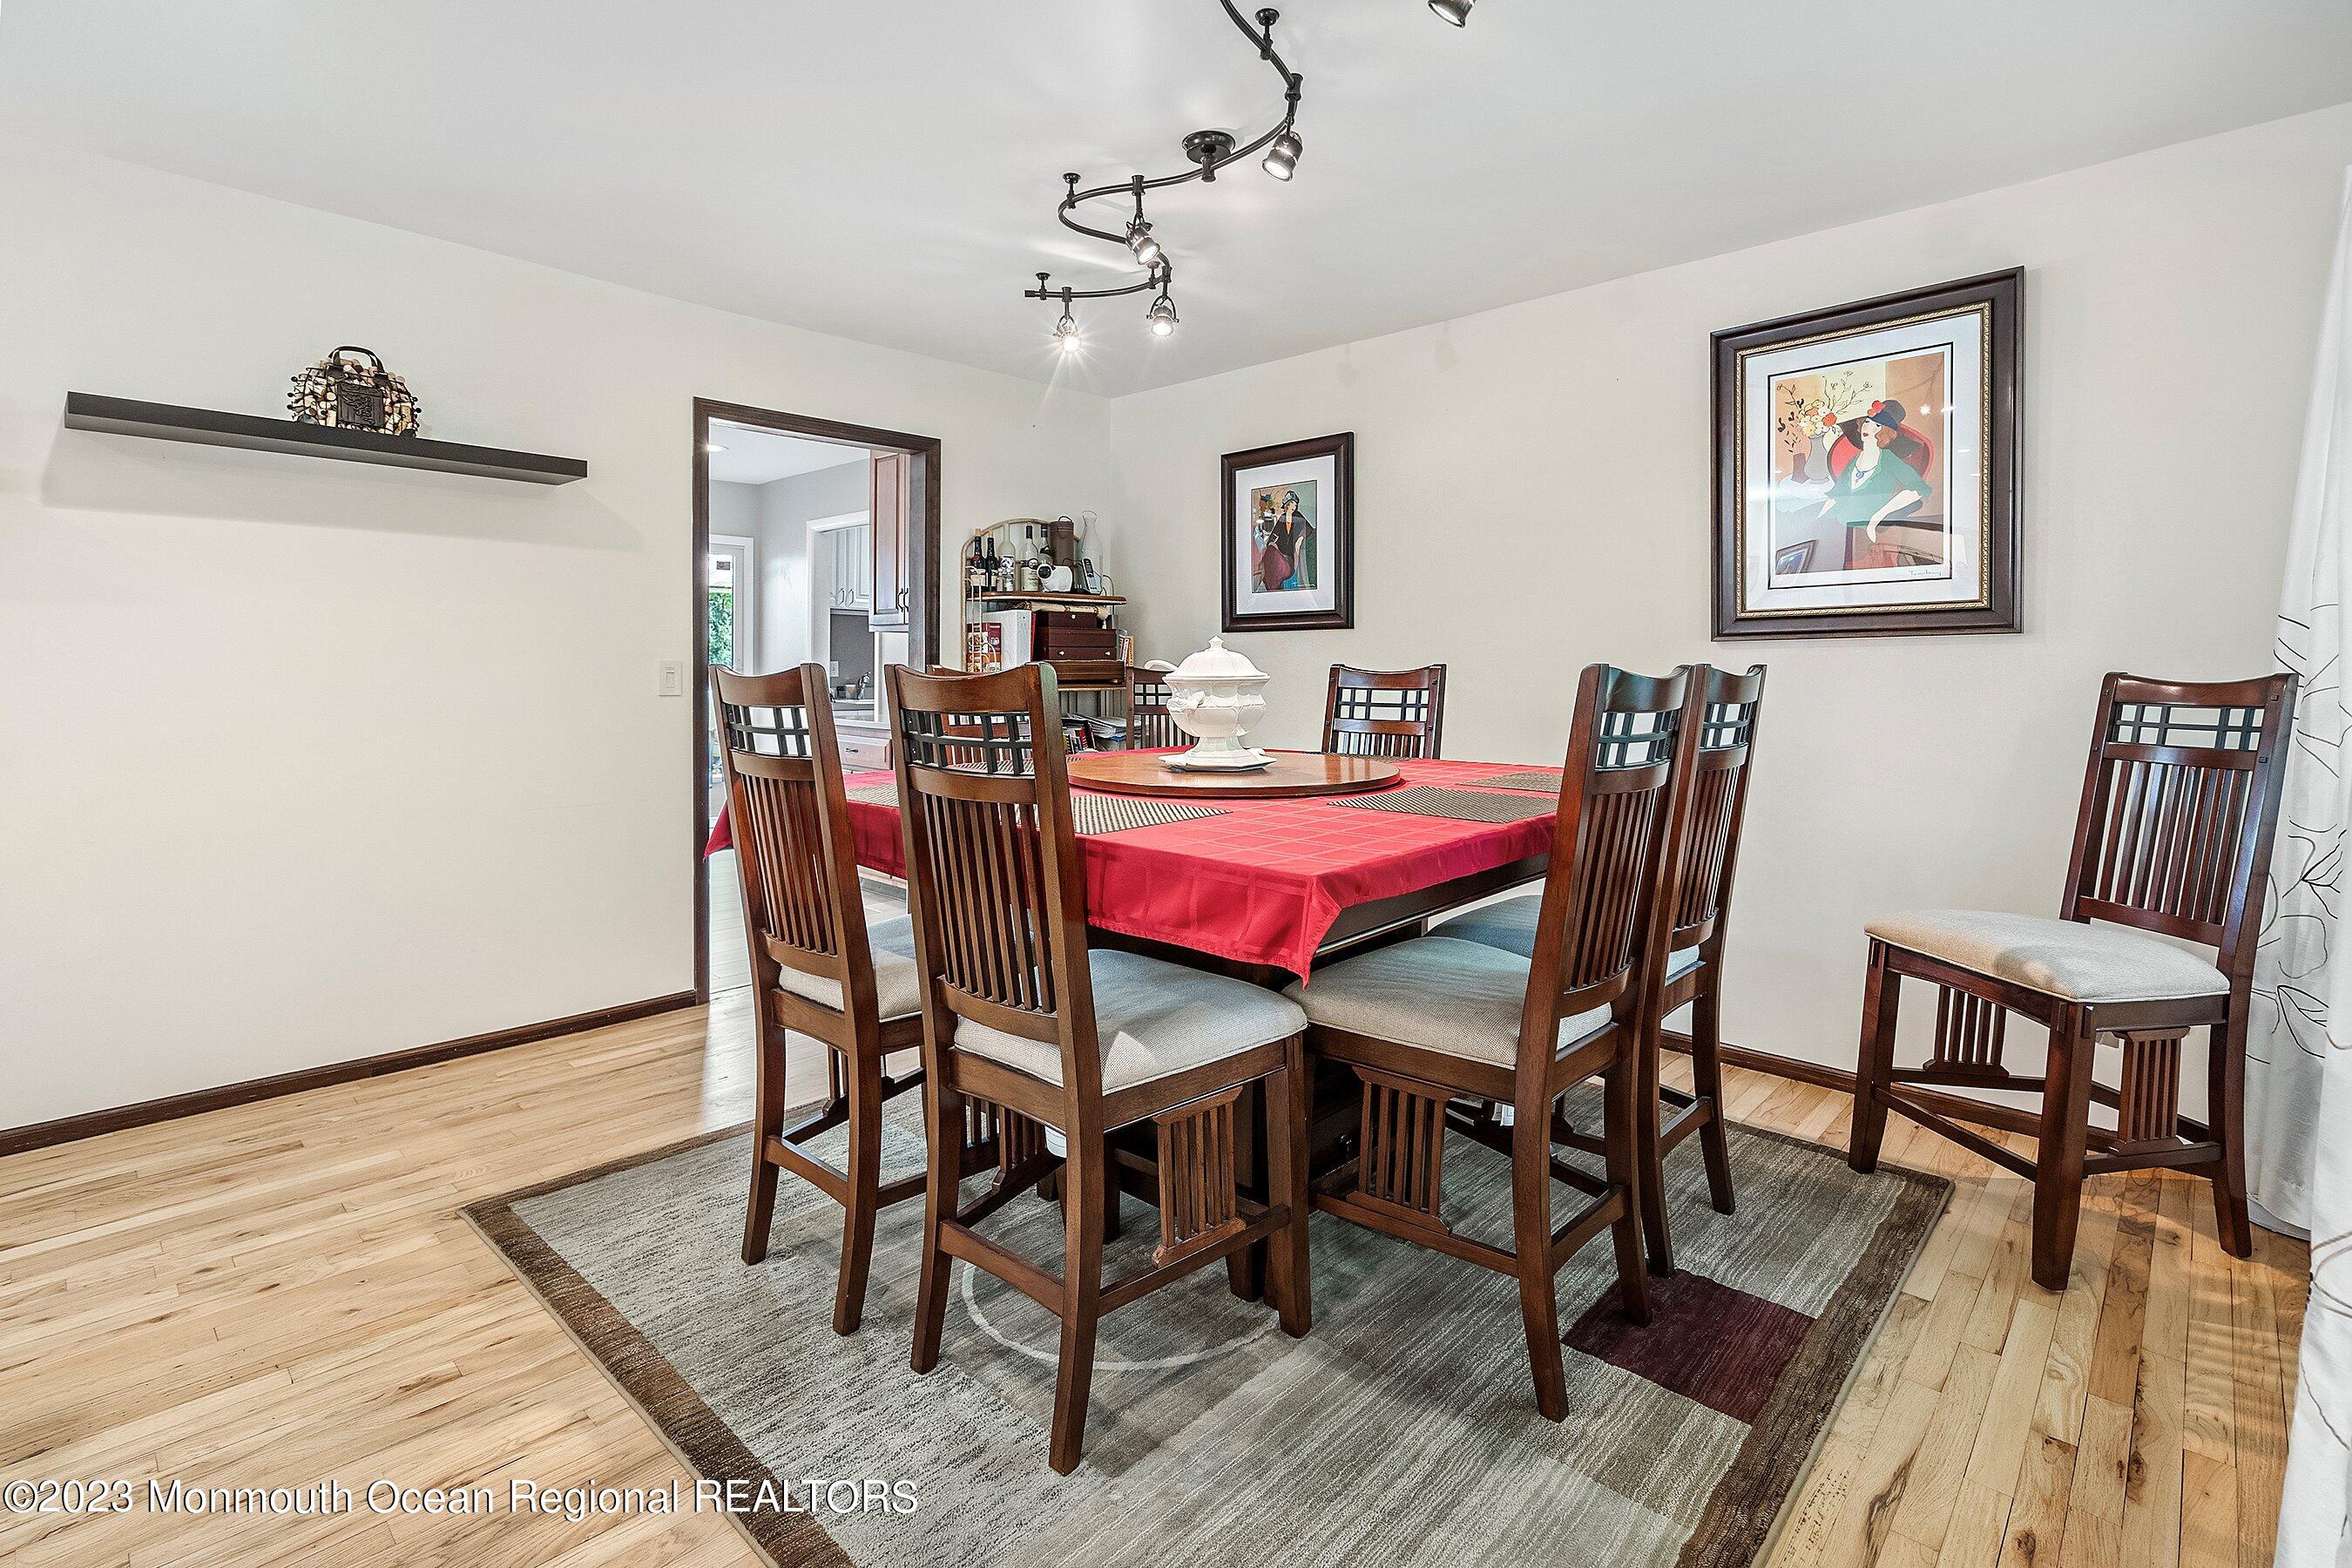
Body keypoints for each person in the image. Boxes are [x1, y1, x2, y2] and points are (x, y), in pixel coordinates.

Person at [1816, 400, 1931, 568]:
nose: (1868, 429)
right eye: (1867, 423)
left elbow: (1920, 488)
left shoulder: (1889, 460)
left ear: (1886, 433)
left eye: (1877, 426)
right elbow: (1836, 495)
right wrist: (1817, 521)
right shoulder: (1855, 460)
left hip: (1861, 535)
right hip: (1835, 527)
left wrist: (1878, 516)